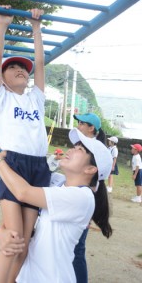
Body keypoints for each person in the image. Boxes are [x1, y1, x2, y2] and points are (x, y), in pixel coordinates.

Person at [0, 127, 113, 283]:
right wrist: (1, 231)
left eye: (79, 149)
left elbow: (22, 192)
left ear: (90, 169)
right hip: (27, 277)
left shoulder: (82, 197)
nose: (71, 150)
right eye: (73, 146)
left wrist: (0, 161)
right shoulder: (57, 183)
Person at [0, 6, 51, 282]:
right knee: (13, 238)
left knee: (24, 245)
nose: (19, 70)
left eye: (21, 68)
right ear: (2, 79)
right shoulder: (0, 99)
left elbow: (39, 62)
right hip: (13, 163)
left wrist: (36, 28)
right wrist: (3, 24)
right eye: (12, 68)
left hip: (38, 167)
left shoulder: (35, 98)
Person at [72, 112, 106, 283]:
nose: (79, 125)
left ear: (91, 128)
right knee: (76, 251)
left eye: (82, 123)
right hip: (81, 201)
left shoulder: (93, 149)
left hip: (81, 202)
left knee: (76, 251)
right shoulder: (87, 145)